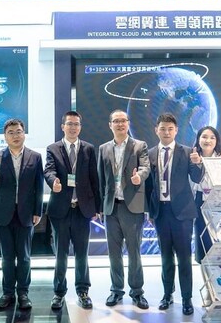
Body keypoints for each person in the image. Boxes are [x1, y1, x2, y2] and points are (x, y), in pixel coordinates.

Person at [146, 113, 204, 316]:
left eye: (170, 129)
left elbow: (197, 178)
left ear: (176, 130)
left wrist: (198, 163)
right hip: (161, 212)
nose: (166, 132)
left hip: (182, 213)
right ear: (156, 130)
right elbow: (148, 185)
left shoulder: (187, 152)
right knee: (165, 257)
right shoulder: (150, 154)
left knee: (184, 258)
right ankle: (167, 294)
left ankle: (187, 298)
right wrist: (149, 210)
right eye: (163, 128)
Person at [44, 111, 100, 310]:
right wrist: (53, 182)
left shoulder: (88, 149)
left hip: (82, 210)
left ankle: (83, 291)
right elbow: (48, 170)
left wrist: (97, 207)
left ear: (80, 127)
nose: (73, 127)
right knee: (60, 254)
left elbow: (94, 179)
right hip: (61, 210)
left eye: (76, 124)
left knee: (82, 254)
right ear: (63, 127)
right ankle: (59, 293)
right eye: (69, 124)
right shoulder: (53, 149)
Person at [0, 118, 43, 310]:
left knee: (25, 256)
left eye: (18, 132)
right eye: (11, 133)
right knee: (7, 257)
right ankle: (8, 293)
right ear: (5, 136)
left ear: (24, 133)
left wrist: (38, 211)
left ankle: (23, 293)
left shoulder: (35, 157)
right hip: (3, 214)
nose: (15, 136)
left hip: (27, 214)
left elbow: (38, 186)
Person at [97, 109, 150, 310]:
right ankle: (116, 290)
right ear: (110, 125)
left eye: (123, 120)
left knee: (134, 252)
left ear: (128, 123)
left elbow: (145, 167)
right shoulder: (103, 149)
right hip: (111, 208)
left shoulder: (139, 146)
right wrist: (100, 207)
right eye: (116, 121)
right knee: (114, 253)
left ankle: (137, 292)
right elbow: (101, 179)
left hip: (132, 207)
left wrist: (139, 177)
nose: (120, 124)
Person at [192, 126, 221, 265]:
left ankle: (219, 267)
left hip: (218, 199)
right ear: (198, 139)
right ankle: (203, 267)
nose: (208, 140)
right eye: (204, 137)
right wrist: (197, 164)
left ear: (217, 141)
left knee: (218, 236)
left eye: (212, 137)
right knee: (201, 235)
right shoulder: (192, 157)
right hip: (199, 198)